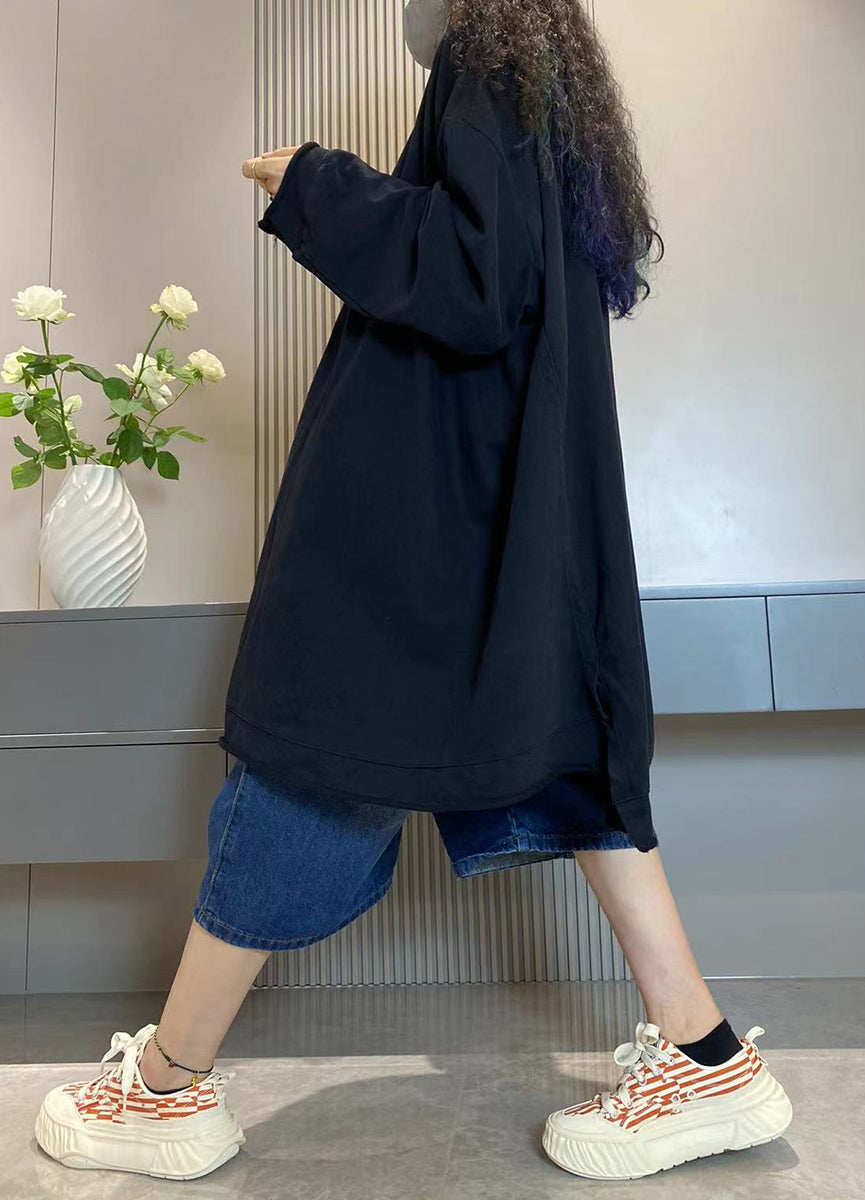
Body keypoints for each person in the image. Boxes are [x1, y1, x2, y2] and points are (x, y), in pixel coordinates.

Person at [34, 0, 792, 1183]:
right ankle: (705, 1056)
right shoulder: (530, 60)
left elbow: (475, 278)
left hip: (435, 517)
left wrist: (314, 181)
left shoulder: (490, 54)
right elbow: (506, 270)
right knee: (557, 745)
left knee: (312, 749)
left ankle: (166, 1088)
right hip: (498, 505)